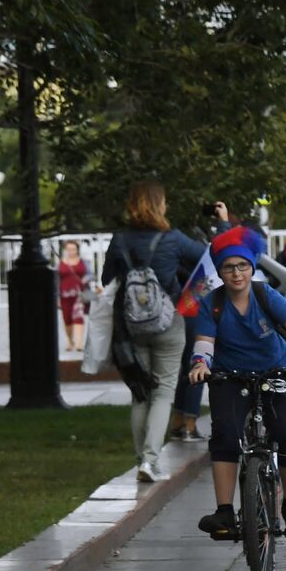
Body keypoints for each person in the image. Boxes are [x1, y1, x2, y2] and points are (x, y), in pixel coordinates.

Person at [188, 226, 286, 546]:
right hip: (229, 376)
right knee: (224, 437)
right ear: (219, 271)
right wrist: (199, 364)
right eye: (229, 267)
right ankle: (224, 510)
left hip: (275, 371)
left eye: (243, 266)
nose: (237, 273)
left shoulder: (265, 295)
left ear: (253, 267)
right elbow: (204, 343)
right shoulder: (213, 303)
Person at [102, 180, 205, 482]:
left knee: (140, 392)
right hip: (168, 321)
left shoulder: (120, 238)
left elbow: (108, 277)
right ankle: (150, 460)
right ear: (159, 204)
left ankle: (141, 461)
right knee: (163, 393)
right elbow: (206, 259)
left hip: (131, 325)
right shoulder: (172, 238)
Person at [56, 241, 91, 352]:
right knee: (67, 320)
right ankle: (70, 341)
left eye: (73, 249)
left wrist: (84, 280)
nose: (71, 251)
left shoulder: (83, 262)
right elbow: (56, 281)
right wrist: (57, 297)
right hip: (65, 295)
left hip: (79, 295)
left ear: (77, 250)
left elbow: (90, 274)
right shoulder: (60, 263)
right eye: (69, 249)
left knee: (78, 317)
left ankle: (79, 343)